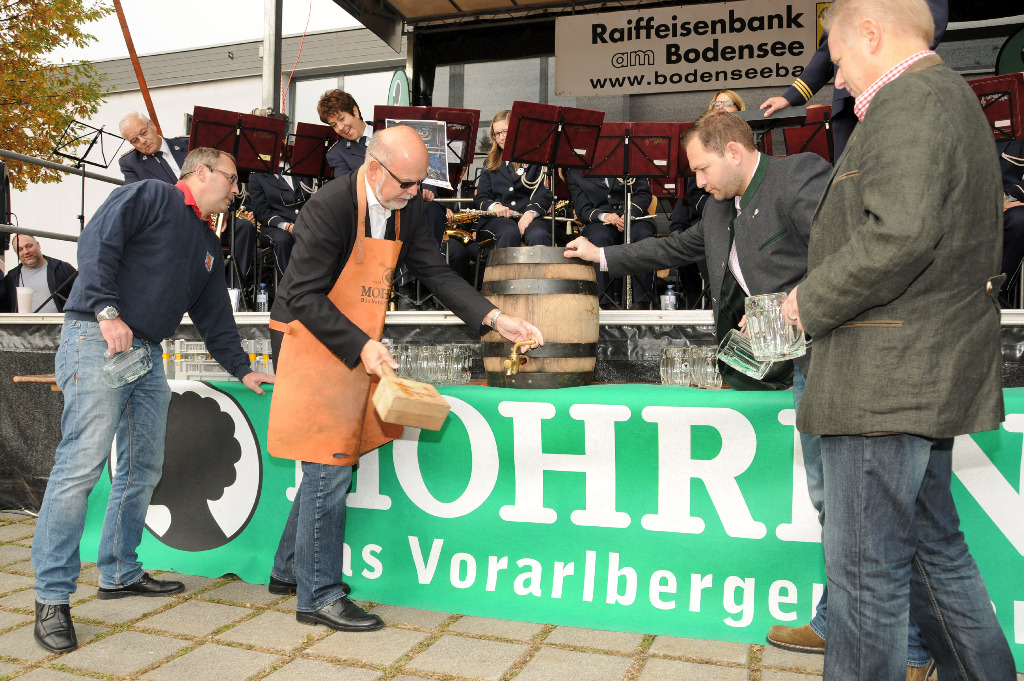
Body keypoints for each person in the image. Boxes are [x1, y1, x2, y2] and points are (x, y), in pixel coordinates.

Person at [779, 0, 1015, 679]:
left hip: (882, 381)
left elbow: (900, 234)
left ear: (872, 33)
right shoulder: (944, 97)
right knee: (933, 554)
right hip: (915, 375)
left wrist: (807, 301)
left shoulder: (910, 101)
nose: (836, 78)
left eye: (838, 59)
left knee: (865, 579)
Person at [266, 125, 543, 632]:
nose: (415, 194)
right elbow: (303, 295)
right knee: (329, 459)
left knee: (332, 457)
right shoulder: (328, 206)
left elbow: (434, 272)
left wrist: (494, 318)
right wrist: (361, 345)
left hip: (356, 338)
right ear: (374, 168)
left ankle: (289, 569)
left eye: (421, 184)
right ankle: (318, 596)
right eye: (407, 183)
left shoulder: (408, 207)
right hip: (306, 335)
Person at [30, 147, 275, 655]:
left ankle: (120, 570)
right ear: (202, 172)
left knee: (142, 467)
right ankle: (52, 597)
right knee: (79, 468)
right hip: (97, 336)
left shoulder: (208, 242)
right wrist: (107, 310)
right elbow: (97, 241)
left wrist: (243, 368)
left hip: (145, 353)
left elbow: (214, 316)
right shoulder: (152, 194)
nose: (236, 191)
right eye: (233, 180)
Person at [758, 0, 947, 160]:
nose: (838, 81)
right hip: (849, 103)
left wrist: (886, 65)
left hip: (899, 89)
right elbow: (830, 48)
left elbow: (930, 20)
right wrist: (792, 96)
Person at [567, 168, 656, 309]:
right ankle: (605, 304)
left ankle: (642, 302)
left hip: (634, 216)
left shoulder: (630, 161)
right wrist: (604, 216)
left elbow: (643, 194)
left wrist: (629, 213)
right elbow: (582, 209)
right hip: (600, 221)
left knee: (643, 235)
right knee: (599, 238)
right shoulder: (575, 172)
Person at [471, 110, 554, 250]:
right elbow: (481, 197)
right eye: (497, 134)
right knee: (509, 231)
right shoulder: (490, 162)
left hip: (530, 216)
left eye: (505, 131)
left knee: (538, 234)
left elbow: (543, 192)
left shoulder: (536, 158)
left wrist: (530, 213)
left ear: (517, 130)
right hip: (498, 220)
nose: (501, 137)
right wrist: (495, 207)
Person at [247, 149, 316, 279]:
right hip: (275, 227)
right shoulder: (256, 176)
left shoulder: (302, 167)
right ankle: (288, 287)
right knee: (282, 240)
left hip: (306, 222)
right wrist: (286, 226)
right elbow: (261, 211)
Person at [1, 234, 77, 313]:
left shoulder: (63, 268)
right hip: (24, 321)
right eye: (20, 250)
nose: (26, 252)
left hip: (62, 321)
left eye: (29, 246)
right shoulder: (11, 278)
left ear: (38, 245)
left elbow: (81, 297)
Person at [118, 112, 189, 184]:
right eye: (135, 140)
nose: (142, 141)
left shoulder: (187, 143)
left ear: (152, 125)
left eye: (143, 132)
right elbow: (137, 190)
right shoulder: (131, 163)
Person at [998, 138, 1024, 306]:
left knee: (1019, 220)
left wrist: (1009, 199)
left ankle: (997, 293)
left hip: (1010, 203)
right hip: (961, 203)